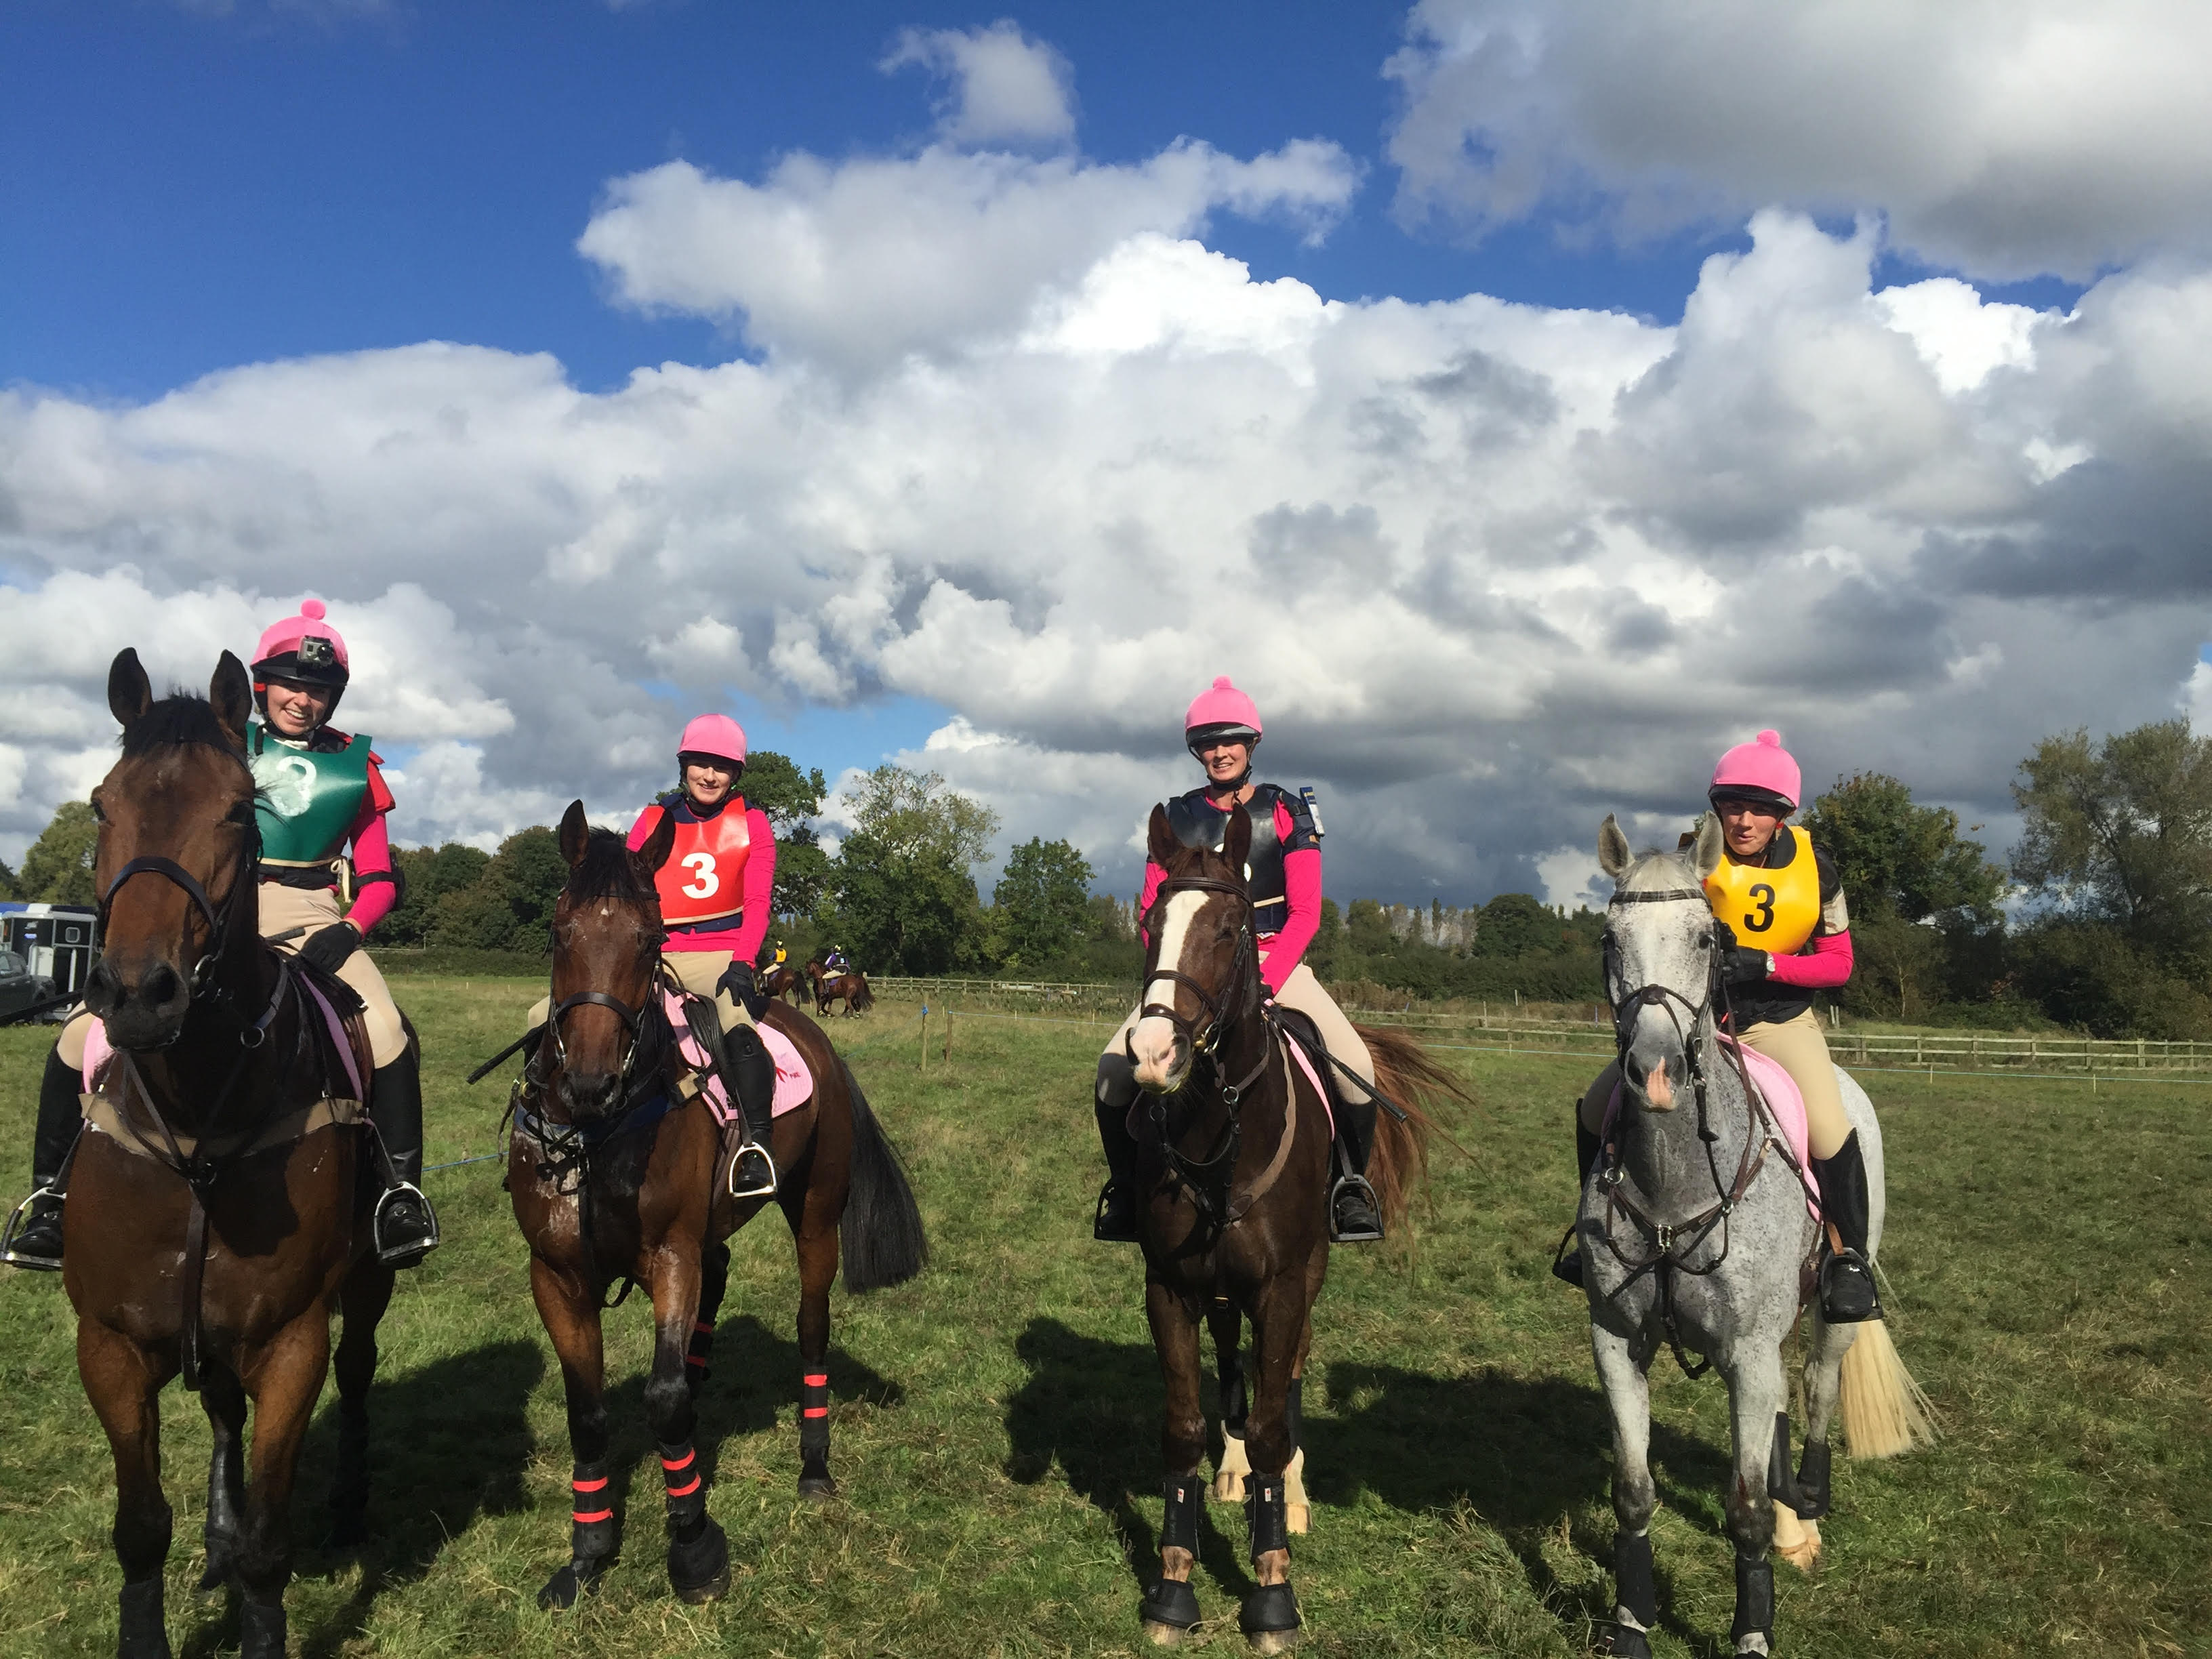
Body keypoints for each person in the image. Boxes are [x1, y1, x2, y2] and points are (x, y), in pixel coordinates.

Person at [4, 600, 438, 1271]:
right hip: (213, 909)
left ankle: (398, 1193)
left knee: (386, 1029)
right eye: (292, 683)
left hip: (314, 912)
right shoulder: (220, 741)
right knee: (75, 1036)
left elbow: (379, 877)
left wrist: (349, 927)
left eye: (318, 688)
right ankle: (52, 1197)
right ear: (261, 687)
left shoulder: (358, 767)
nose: (304, 698)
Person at [1556, 729, 1878, 1322]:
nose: (1745, 820)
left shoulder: (1819, 870)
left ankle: (1850, 1260)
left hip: (1776, 1023)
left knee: (1830, 1126)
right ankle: (1590, 1237)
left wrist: (1770, 964)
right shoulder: (1692, 858)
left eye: (1761, 809)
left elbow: (1840, 964)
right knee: (1594, 1107)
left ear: (1784, 815)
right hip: (1698, 1026)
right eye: (1733, 806)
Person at [1092, 676, 1385, 1246]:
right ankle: (1126, 1190)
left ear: (1251, 745)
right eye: (1206, 742)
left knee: (1358, 1071)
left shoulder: (1286, 811)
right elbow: (1152, 909)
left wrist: (1268, 981)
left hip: (1276, 965)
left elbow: (1306, 913)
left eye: (1230, 740)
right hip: (1196, 972)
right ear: (1196, 751)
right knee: (1110, 1075)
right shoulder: (1176, 817)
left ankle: (1351, 1185)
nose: (1218, 751)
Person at [626, 714, 781, 1198]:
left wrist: (743, 961)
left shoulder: (752, 823)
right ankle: (545, 1134)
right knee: (550, 1015)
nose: (709, 776)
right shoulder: (653, 820)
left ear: (736, 774)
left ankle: (758, 1147)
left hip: (719, 953)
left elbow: (757, 902)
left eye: (721, 767)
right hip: (656, 952)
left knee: (736, 1021)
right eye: (700, 764)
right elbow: (626, 890)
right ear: (684, 766)